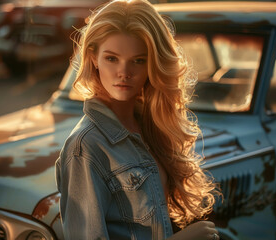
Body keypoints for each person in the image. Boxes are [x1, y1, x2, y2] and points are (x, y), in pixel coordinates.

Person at [55, 0, 220, 239]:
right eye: (112, 58)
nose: (124, 72)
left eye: (138, 60)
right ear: (93, 58)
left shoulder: (149, 125)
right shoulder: (84, 148)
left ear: (153, 63)